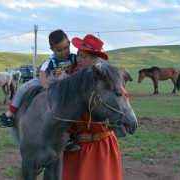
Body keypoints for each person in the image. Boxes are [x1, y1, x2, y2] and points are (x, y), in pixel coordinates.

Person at [62, 34, 128, 180]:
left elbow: (122, 102)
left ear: (94, 59)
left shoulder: (108, 82)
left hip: (99, 147)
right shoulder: (71, 78)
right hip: (73, 146)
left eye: (83, 56)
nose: (78, 60)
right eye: (78, 55)